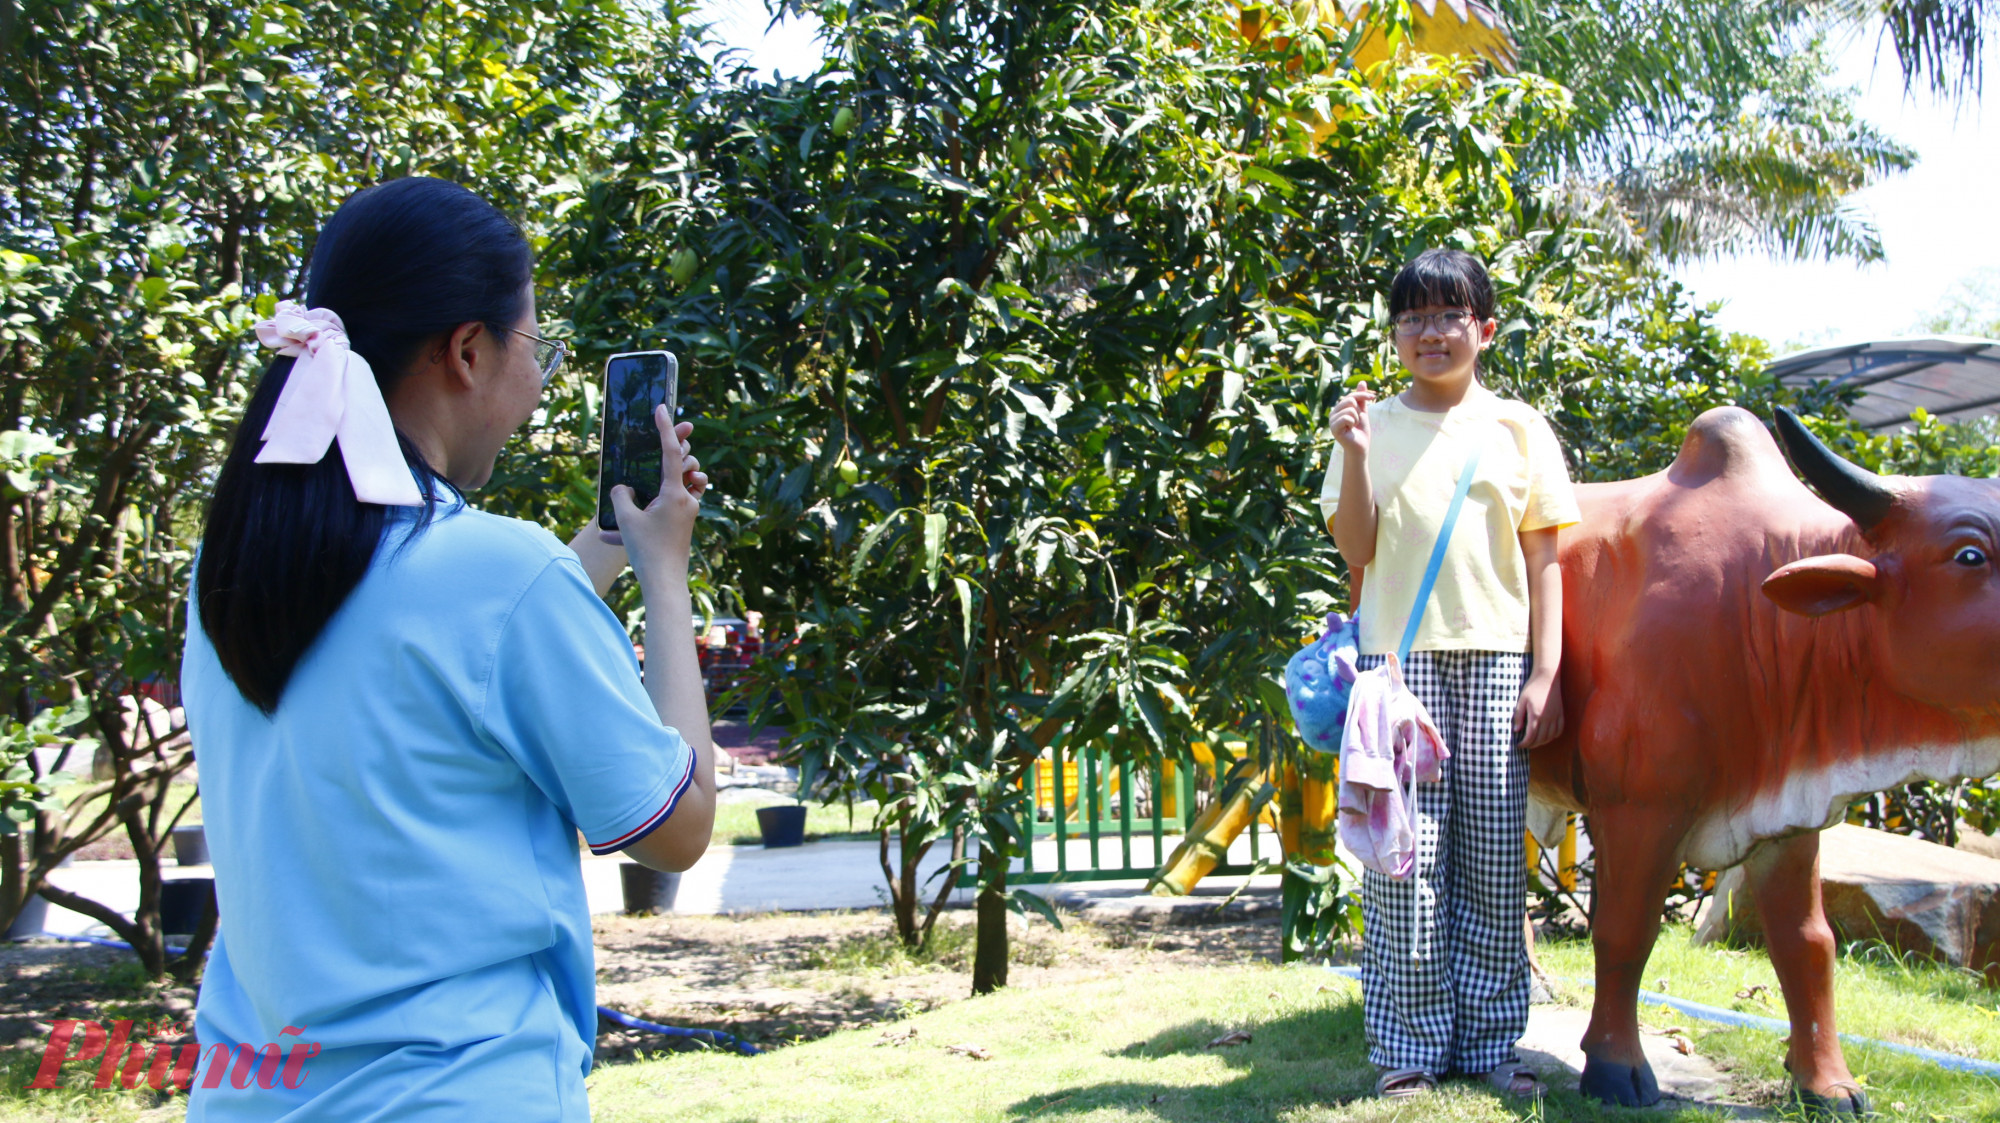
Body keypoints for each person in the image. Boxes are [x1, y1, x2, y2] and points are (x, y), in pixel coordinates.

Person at [182, 176, 715, 1120]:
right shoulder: (494, 574)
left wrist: (606, 550)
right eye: (534, 345)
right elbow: (674, 830)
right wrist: (664, 576)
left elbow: (430, 656)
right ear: (467, 351)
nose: (538, 378)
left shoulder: (240, 572)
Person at [1319, 247, 1579, 1100]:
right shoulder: (1368, 423)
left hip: (1501, 662)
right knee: (1405, 861)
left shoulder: (1520, 428)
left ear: (1484, 328)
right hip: (1398, 668)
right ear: (1395, 334)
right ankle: (1413, 1047)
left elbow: (1545, 561)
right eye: (1414, 318)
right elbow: (1355, 549)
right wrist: (1353, 453)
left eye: (1448, 316)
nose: (1431, 333)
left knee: (1495, 862)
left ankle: (1489, 1046)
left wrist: (1548, 671)